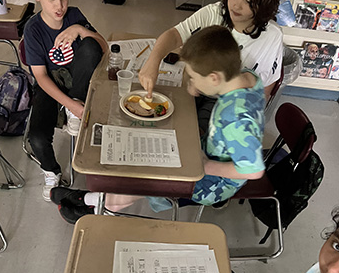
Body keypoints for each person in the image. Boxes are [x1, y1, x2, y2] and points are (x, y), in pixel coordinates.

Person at [50, 26, 265, 223]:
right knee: (156, 143)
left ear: (214, 78)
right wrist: (202, 87)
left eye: (193, 77)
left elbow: (253, 170)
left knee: (146, 181)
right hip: (207, 148)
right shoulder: (247, 77)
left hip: (211, 182)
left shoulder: (235, 118)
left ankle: (93, 204)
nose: (191, 82)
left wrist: (205, 166)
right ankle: (96, 198)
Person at [139, 0, 282, 131]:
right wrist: (153, 61)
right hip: (196, 86)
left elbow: (264, 90)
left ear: (264, 3)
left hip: (227, 104)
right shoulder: (214, 14)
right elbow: (174, 35)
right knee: (163, 117)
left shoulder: (271, 37)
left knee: (193, 138)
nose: (236, 6)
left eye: (249, 2)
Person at [24, 0, 107, 201]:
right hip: (50, 84)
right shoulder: (33, 30)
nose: (59, 5)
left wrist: (80, 30)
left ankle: (75, 108)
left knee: (90, 46)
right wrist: (69, 103)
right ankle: (51, 171)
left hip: (76, 81)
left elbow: (103, 46)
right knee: (36, 137)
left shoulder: (74, 15)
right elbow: (40, 76)